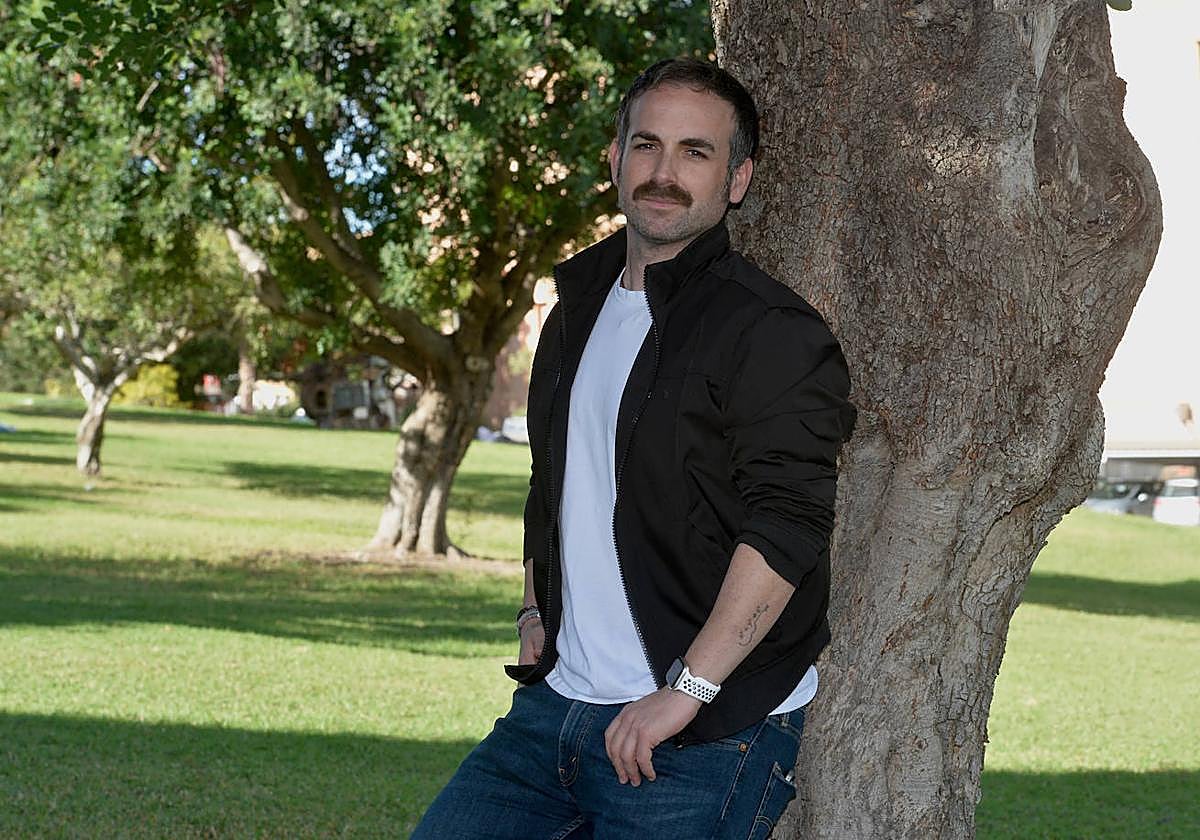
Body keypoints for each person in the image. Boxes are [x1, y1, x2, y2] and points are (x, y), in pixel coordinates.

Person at [412, 57, 856, 840]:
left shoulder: (771, 332)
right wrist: (532, 612)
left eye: (696, 152)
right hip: (552, 712)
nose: (664, 172)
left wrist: (688, 690)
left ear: (738, 179)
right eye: (647, 145)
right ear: (616, 160)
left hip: (701, 735)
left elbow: (786, 526)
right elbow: (551, 483)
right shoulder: (575, 311)